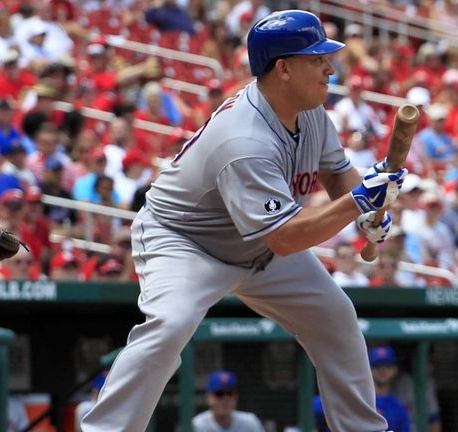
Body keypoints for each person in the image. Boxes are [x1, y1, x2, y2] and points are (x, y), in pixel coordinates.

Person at [81, 10, 406, 432]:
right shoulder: (244, 138)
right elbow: (287, 239)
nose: (330, 66)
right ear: (283, 69)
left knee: (336, 317)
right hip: (186, 241)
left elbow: (334, 175)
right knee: (171, 325)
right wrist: (359, 202)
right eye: (316, 59)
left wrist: (366, 214)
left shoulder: (310, 112)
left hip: (258, 244)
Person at [192, 370, 265, 432]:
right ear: (208, 398)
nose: (225, 399)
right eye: (219, 394)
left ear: (236, 397)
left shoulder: (250, 422)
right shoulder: (198, 426)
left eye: (230, 394)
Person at [368, 346, 412, 432]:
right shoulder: (360, 401)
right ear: (368, 369)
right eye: (377, 366)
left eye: (387, 366)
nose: (382, 370)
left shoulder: (398, 406)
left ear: (395, 370)